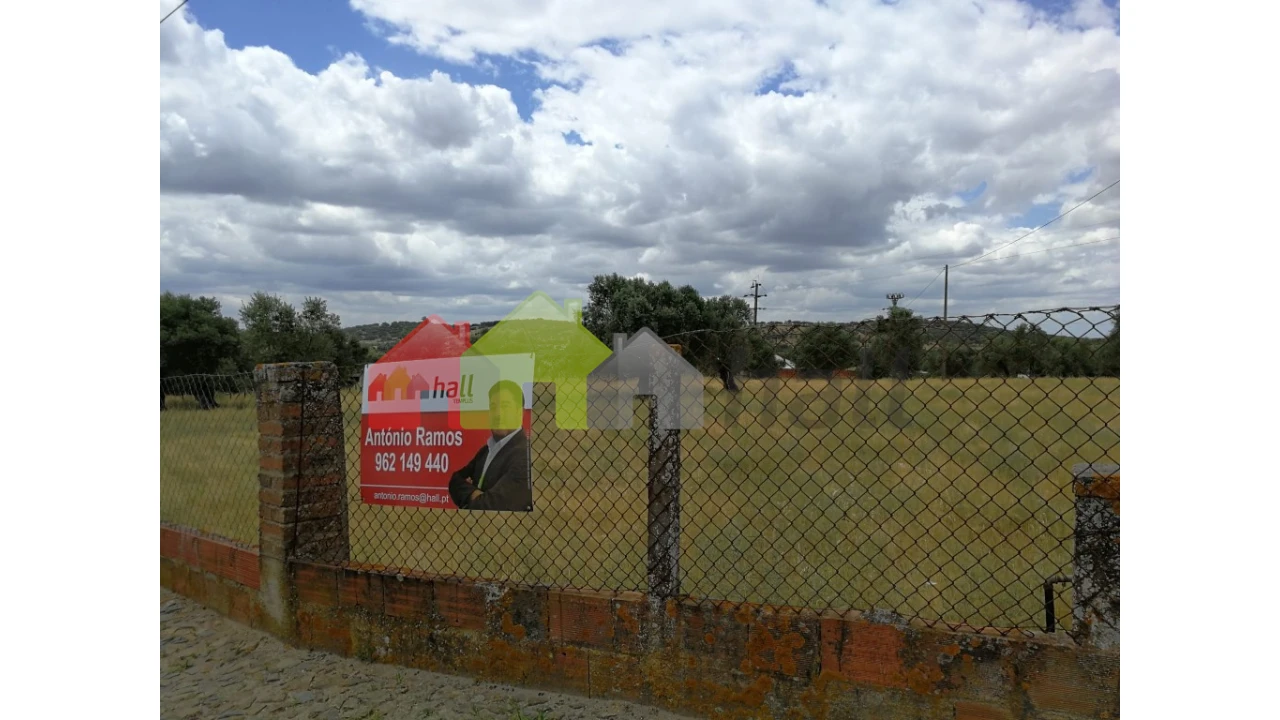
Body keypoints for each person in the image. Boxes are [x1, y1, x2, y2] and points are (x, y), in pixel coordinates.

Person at [448, 380, 532, 511]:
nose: (498, 414)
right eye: (493, 407)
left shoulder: (524, 455)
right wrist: (474, 494)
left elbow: (491, 504)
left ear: (519, 412)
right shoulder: (486, 450)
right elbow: (455, 480)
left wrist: (471, 496)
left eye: (505, 406)